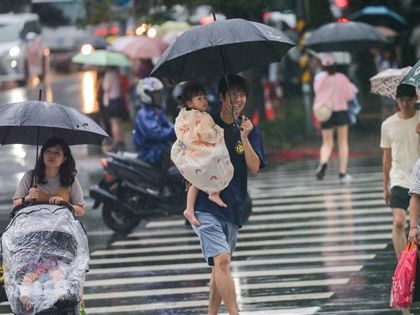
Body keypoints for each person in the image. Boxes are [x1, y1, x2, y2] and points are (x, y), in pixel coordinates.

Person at [192, 75, 265, 315]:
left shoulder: (248, 128)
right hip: (205, 204)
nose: (239, 99)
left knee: (218, 266)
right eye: (233, 94)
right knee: (222, 260)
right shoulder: (207, 125)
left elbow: (254, 168)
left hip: (233, 206)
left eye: (242, 94)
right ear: (221, 97)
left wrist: (244, 138)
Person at [12, 138, 85, 310]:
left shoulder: (70, 181)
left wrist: (64, 203)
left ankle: (66, 300)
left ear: (65, 158)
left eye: (57, 153)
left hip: (62, 237)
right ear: (42, 154)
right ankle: (25, 298)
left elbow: (81, 209)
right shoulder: (31, 177)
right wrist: (28, 198)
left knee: (59, 272)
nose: (52, 156)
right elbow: (16, 203)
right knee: (30, 272)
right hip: (32, 236)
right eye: (48, 151)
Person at [171, 83, 234, 226]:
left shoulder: (182, 116)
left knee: (196, 179)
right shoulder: (203, 117)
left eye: (204, 97)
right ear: (189, 102)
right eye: (199, 98)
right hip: (194, 150)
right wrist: (217, 131)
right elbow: (207, 135)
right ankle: (208, 196)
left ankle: (198, 203)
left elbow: (179, 133)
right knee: (217, 156)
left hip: (184, 149)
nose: (204, 101)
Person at [381, 84, 420, 259]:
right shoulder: (388, 124)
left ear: (415, 99)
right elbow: (386, 157)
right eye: (401, 100)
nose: (404, 103)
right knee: (398, 222)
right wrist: (385, 186)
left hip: (417, 179)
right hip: (398, 178)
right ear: (396, 100)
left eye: (408, 99)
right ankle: (402, 263)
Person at [314, 53, 357, 183]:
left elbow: (316, 92)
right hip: (341, 112)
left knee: (327, 142)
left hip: (325, 113)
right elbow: (349, 96)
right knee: (343, 142)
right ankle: (342, 174)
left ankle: (323, 163)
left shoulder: (319, 78)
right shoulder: (342, 78)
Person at [133, 77, 176, 166]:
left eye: (160, 93)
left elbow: (168, 125)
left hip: (160, 148)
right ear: (146, 95)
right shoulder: (144, 114)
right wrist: (174, 131)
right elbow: (156, 133)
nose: (160, 97)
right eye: (156, 94)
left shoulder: (157, 111)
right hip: (149, 153)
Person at [103, 66, 126, 151]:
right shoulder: (116, 74)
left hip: (112, 101)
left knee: (114, 122)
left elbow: (106, 88)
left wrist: (103, 82)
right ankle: (120, 140)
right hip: (119, 100)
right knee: (119, 122)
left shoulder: (108, 75)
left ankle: (117, 142)